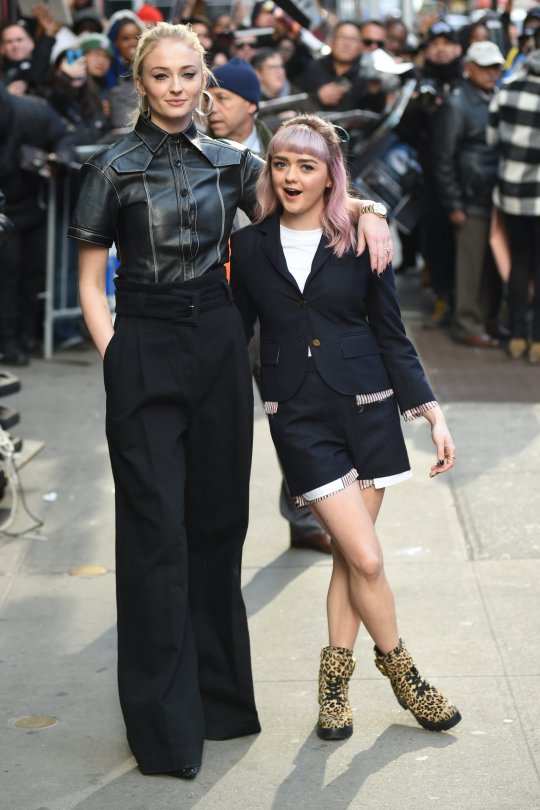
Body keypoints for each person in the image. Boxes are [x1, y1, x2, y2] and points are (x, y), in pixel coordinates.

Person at [67, 22, 393, 780]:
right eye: (161, 77)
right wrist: (117, 355)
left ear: (206, 82)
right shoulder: (110, 166)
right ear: (141, 81)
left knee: (218, 525)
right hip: (143, 343)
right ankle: (162, 722)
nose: (177, 89)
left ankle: (218, 699)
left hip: (217, 344)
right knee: (155, 533)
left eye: (188, 76)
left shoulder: (234, 163)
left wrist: (367, 207)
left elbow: (303, 186)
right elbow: (89, 280)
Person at [230, 114, 461, 741]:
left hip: (370, 409)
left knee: (348, 561)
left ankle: (333, 688)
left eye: (307, 166)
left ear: (329, 175)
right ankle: (404, 674)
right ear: (269, 170)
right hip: (298, 416)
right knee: (363, 553)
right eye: (281, 164)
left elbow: (391, 332)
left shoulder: (363, 238)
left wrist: (431, 413)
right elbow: (232, 334)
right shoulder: (250, 245)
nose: (291, 177)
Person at [432, 40, 506, 347]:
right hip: (471, 195)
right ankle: (467, 322)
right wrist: (454, 203)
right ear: (470, 68)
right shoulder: (458, 104)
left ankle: (486, 318)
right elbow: (443, 158)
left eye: (495, 68)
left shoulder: (496, 98)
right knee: (471, 264)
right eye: (485, 67)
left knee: (490, 263)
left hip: (494, 195)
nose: (491, 73)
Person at [487, 28, 540, 363]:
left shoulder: (506, 90)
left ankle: (518, 333)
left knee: (520, 261)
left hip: (510, 192)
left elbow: (492, 139)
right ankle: (538, 340)